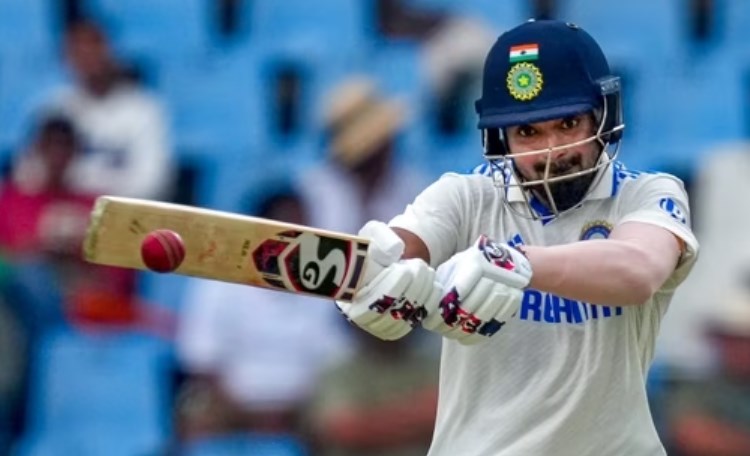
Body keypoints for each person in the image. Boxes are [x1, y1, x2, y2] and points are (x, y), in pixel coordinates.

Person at [334, 19, 699, 455]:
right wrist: (376, 279)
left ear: (602, 116)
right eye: (528, 132)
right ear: (500, 137)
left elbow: (638, 271)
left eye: (568, 123)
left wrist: (511, 262)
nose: (552, 151)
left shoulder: (647, 194)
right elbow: (399, 250)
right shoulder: (466, 197)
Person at [175, 186, 352, 445]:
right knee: (196, 418)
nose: (298, 242)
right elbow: (200, 360)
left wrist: (289, 412)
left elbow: (333, 361)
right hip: (228, 401)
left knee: (343, 421)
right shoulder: (219, 282)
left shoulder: (325, 284)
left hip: (302, 407)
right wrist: (244, 412)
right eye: (289, 230)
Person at [39, 19, 174, 201]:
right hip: (61, 211)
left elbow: (151, 183)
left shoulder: (144, 110)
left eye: (94, 47)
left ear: (111, 50)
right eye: (78, 50)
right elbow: (30, 173)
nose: (87, 57)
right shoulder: (54, 107)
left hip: (123, 212)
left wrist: (81, 185)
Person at [665, 281, 750, 455]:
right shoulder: (700, 385)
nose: (737, 348)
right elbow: (692, 434)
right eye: (731, 339)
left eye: (743, 340)